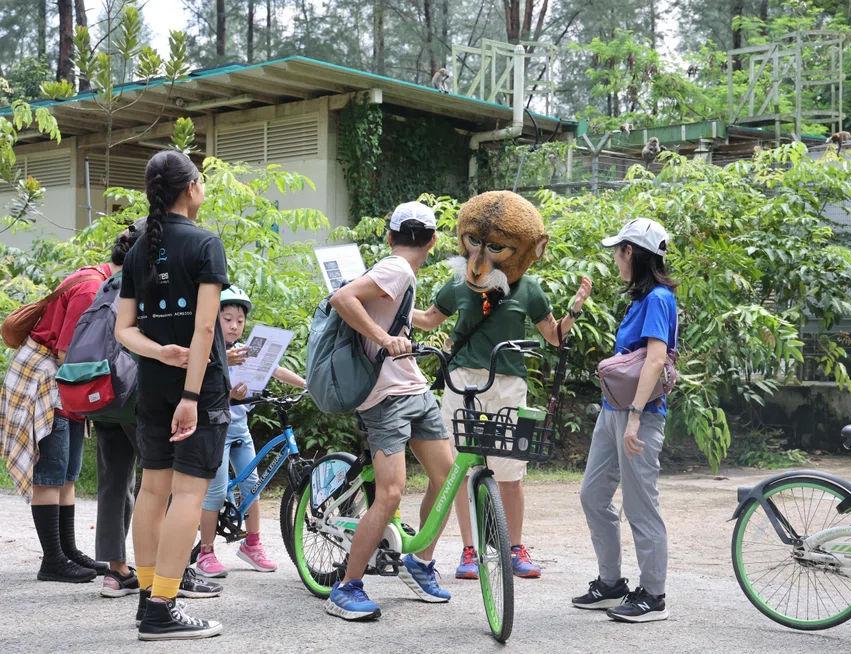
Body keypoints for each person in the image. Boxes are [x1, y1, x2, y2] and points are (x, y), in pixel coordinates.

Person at [413, 190, 592, 580]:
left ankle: (514, 548)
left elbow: (554, 337)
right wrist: (383, 303)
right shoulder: (457, 285)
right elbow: (428, 320)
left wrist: (574, 310)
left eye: (495, 246)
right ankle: (469, 552)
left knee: (510, 472)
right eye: (475, 242)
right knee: (459, 469)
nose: (481, 255)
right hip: (462, 382)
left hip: (509, 384)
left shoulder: (528, 289)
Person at [115, 150, 229, 641]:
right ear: (190, 189)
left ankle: (147, 600)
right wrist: (191, 393)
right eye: (200, 179)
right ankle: (163, 606)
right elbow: (206, 326)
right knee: (188, 491)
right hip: (195, 391)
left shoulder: (139, 249)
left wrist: (161, 353)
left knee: (153, 489)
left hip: (154, 387)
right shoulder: (206, 243)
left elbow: (124, 330)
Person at [324, 201, 454, 622]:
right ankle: (347, 587)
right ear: (433, 241)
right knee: (391, 492)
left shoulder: (402, 276)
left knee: (447, 477)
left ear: (389, 235)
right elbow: (343, 297)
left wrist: (429, 324)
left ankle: (419, 562)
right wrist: (383, 338)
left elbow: (408, 315)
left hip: (412, 387)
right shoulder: (396, 267)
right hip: (383, 397)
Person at [573, 218, 678, 624]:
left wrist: (635, 417)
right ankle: (612, 583)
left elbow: (654, 359)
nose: (615, 258)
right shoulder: (642, 298)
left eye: (617, 251)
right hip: (613, 411)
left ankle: (653, 595)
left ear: (630, 252)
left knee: (640, 506)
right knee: (593, 495)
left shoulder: (658, 300)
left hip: (640, 416)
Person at [0, 248, 116, 582]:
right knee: (50, 471)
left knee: (68, 473)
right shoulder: (91, 288)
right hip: (48, 378)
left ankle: (67, 550)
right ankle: (52, 560)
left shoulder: (104, 283)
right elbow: (68, 352)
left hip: (69, 382)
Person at [194, 286, 305, 578]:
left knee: (253, 485)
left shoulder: (246, 349)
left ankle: (252, 544)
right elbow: (199, 387)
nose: (234, 325)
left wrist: (307, 385)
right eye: (227, 318)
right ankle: (206, 552)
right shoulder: (207, 350)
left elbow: (277, 370)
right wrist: (228, 394)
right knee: (215, 493)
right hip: (215, 428)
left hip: (240, 426)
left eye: (239, 321)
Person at [93, 218, 146, 598]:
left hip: (101, 391)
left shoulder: (105, 286)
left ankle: (116, 572)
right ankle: (158, 566)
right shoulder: (143, 285)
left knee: (114, 481)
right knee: (163, 479)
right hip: (134, 391)